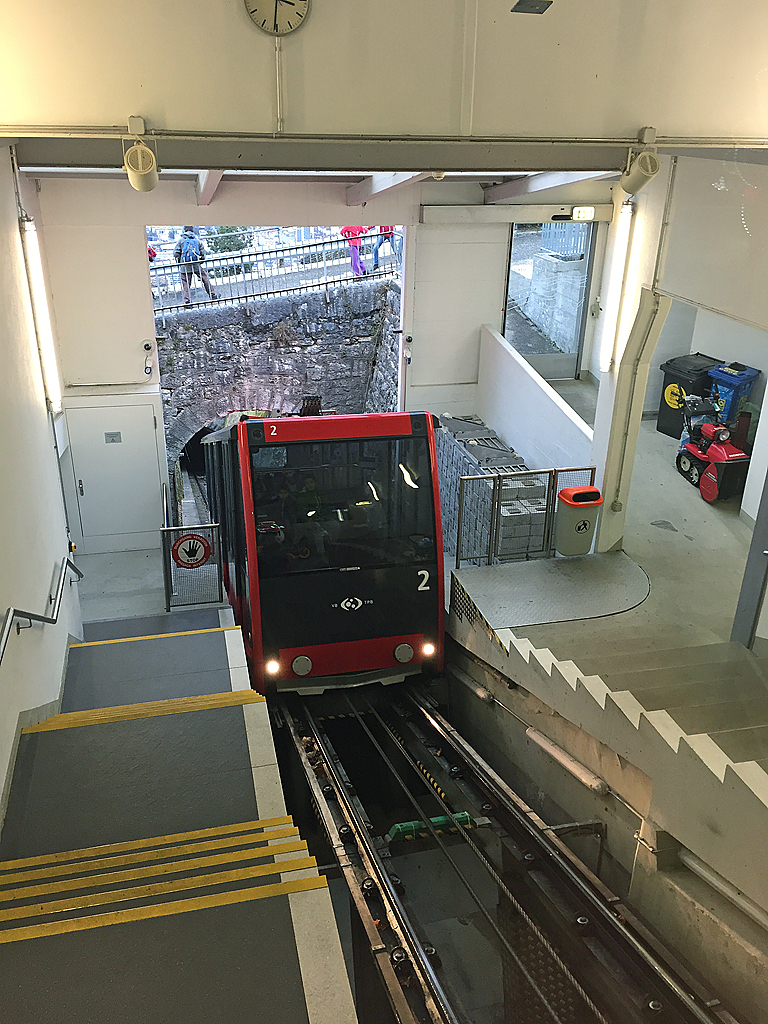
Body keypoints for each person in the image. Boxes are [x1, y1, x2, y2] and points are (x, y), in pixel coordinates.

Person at [173, 226, 217, 304]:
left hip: (185, 265)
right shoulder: (197, 240)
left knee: (186, 283)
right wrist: (200, 261)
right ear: (193, 230)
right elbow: (203, 254)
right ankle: (213, 295)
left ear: (184, 230)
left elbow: (176, 253)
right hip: (196, 264)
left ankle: (187, 301)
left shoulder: (181, 241)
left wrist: (180, 261)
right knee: (205, 278)